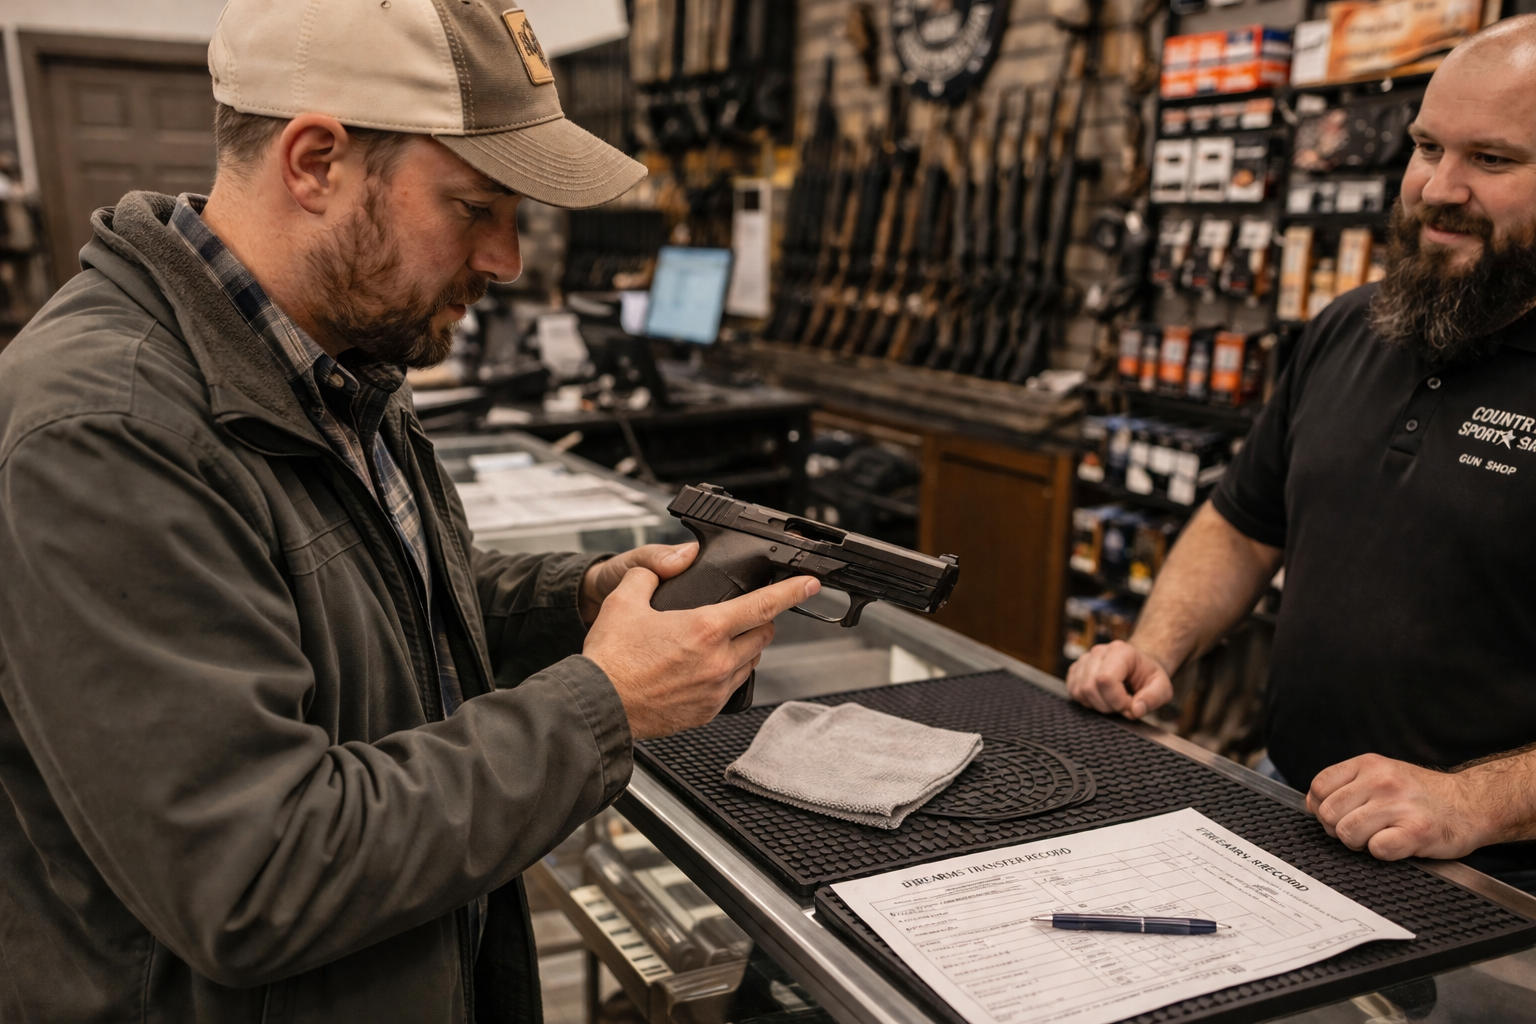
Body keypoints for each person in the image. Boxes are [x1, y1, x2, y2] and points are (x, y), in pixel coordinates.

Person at [0, 2, 816, 1021]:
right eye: (476, 208)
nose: (508, 259)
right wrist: (604, 703)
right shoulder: (106, 432)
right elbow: (255, 874)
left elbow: (356, 591)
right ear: (315, 162)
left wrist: (580, 599)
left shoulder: (335, 355)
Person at [1068, 15, 1536, 891]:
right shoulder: (1353, 326)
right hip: (1297, 811)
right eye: (1427, 146)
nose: (1439, 187)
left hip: (1499, 877)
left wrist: (1475, 802)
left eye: (1493, 160)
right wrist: (1156, 650)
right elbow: (1244, 526)